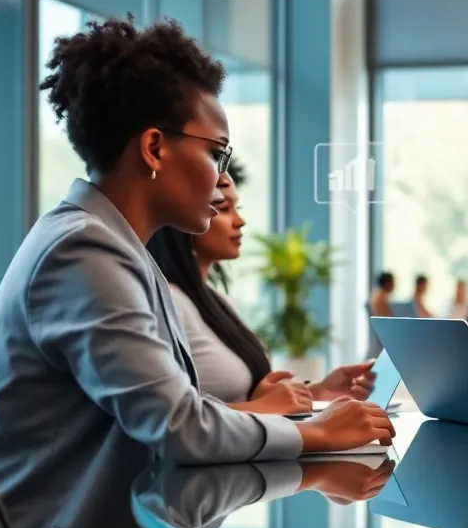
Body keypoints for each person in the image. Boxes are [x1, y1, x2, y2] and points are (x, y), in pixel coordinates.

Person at [0, 15, 390, 528]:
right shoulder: (84, 254)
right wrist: (318, 433)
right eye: (216, 150)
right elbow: (181, 429)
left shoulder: (108, 247)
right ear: (156, 149)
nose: (223, 174)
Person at [147, 166, 378, 415]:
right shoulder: (167, 301)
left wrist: (319, 392)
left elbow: (248, 400)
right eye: (224, 209)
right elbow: (172, 420)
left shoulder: (218, 301)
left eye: (238, 209)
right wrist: (260, 408)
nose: (240, 220)